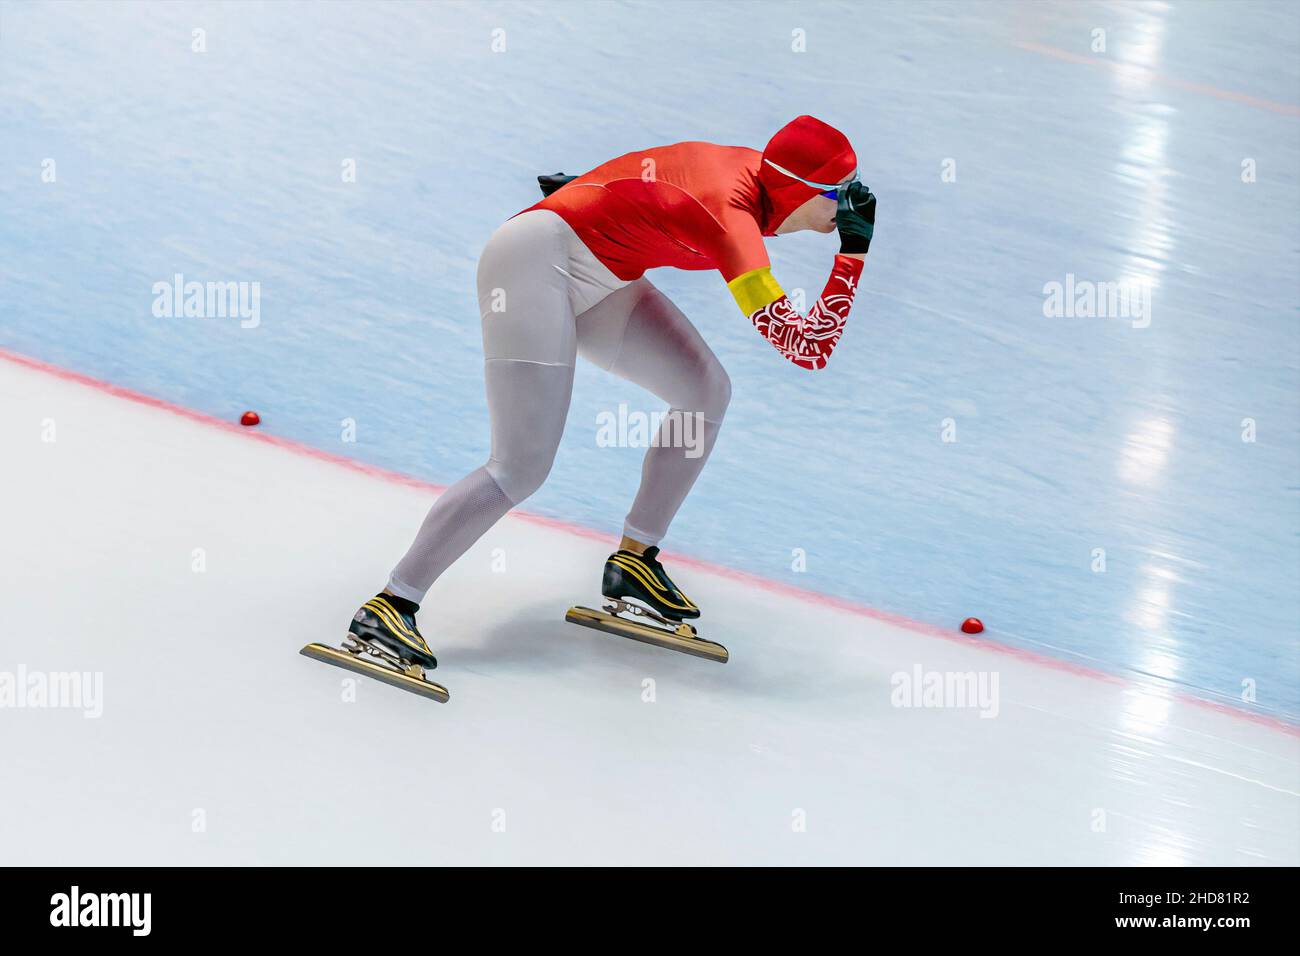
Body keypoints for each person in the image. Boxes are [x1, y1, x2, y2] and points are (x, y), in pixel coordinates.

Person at [349, 115, 876, 669]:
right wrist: (853, 253)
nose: (851, 205)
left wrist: (592, 195)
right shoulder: (731, 217)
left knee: (705, 392)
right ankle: (391, 603)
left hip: (603, 271)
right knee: (520, 465)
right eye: (839, 195)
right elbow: (806, 347)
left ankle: (634, 562)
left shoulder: (764, 184)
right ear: (800, 191)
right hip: (532, 262)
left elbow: (668, 171)